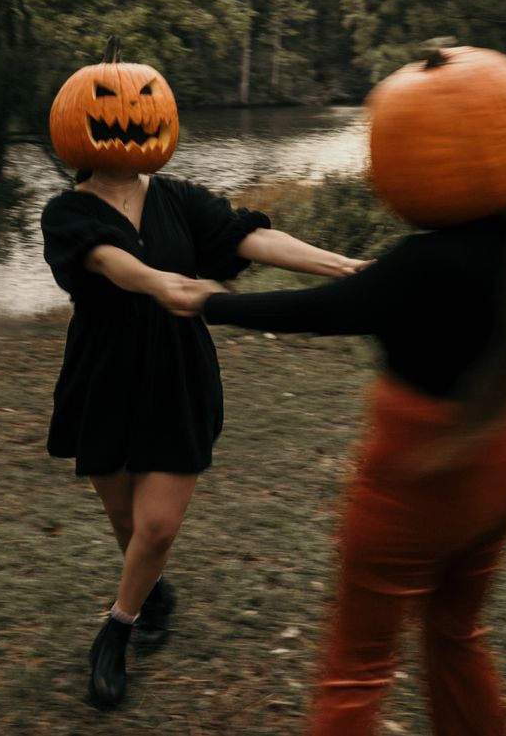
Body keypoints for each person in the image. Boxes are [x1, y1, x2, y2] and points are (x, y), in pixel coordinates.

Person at [168, 46, 506, 736]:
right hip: (502, 465)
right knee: (456, 632)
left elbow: (313, 312)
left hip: (418, 476)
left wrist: (208, 300)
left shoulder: (422, 264)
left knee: (358, 667)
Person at [41, 167, 369, 709]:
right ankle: (151, 593)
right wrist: (161, 281)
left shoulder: (175, 197)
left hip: (177, 370)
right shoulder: (66, 212)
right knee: (127, 521)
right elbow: (105, 260)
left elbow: (252, 238)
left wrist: (345, 266)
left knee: (159, 527)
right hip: (104, 373)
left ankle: (116, 631)